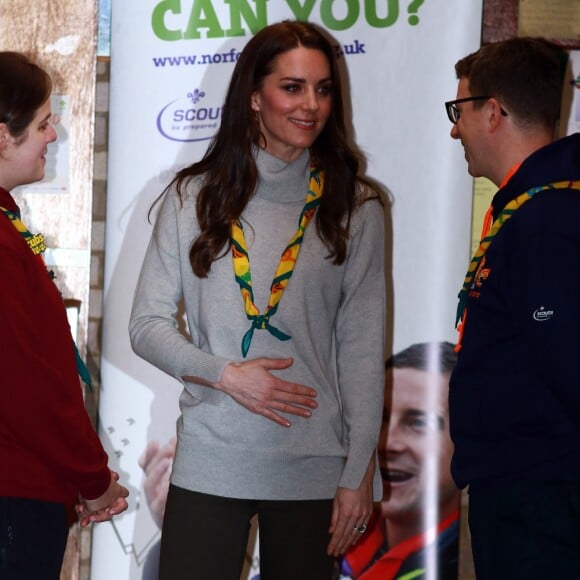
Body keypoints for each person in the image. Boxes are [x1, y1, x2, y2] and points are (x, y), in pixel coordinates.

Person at [129, 20, 386, 580]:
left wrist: (358, 472)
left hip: (315, 466)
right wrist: (225, 375)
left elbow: (362, 352)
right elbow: (146, 326)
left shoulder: (357, 207)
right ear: (253, 96)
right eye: (291, 87)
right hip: (212, 460)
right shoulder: (191, 197)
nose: (310, 104)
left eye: (322, 88)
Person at [445, 37, 580, 579]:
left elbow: (566, 366)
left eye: (460, 110)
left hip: (544, 505)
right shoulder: (535, 209)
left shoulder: (548, 224)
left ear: (494, 112)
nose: (455, 128)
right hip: (529, 493)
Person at [0, 52, 129, 579]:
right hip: (14, 494)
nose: (53, 136)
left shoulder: (10, 227)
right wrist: (91, 477)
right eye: (43, 123)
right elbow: (24, 386)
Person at [339, 342, 461, 580]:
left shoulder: (476, 559)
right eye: (379, 419)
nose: (387, 443)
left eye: (418, 422)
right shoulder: (336, 528)